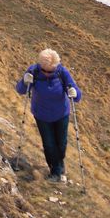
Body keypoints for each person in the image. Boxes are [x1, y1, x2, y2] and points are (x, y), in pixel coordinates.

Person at [14, 48, 82, 183]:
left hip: (61, 114)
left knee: (61, 144)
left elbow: (77, 95)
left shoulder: (62, 72)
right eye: (44, 70)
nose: (47, 73)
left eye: (50, 71)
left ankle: (59, 165)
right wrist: (24, 81)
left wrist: (75, 93)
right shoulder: (34, 71)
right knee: (49, 144)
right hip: (42, 115)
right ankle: (55, 171)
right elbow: (20, 90)